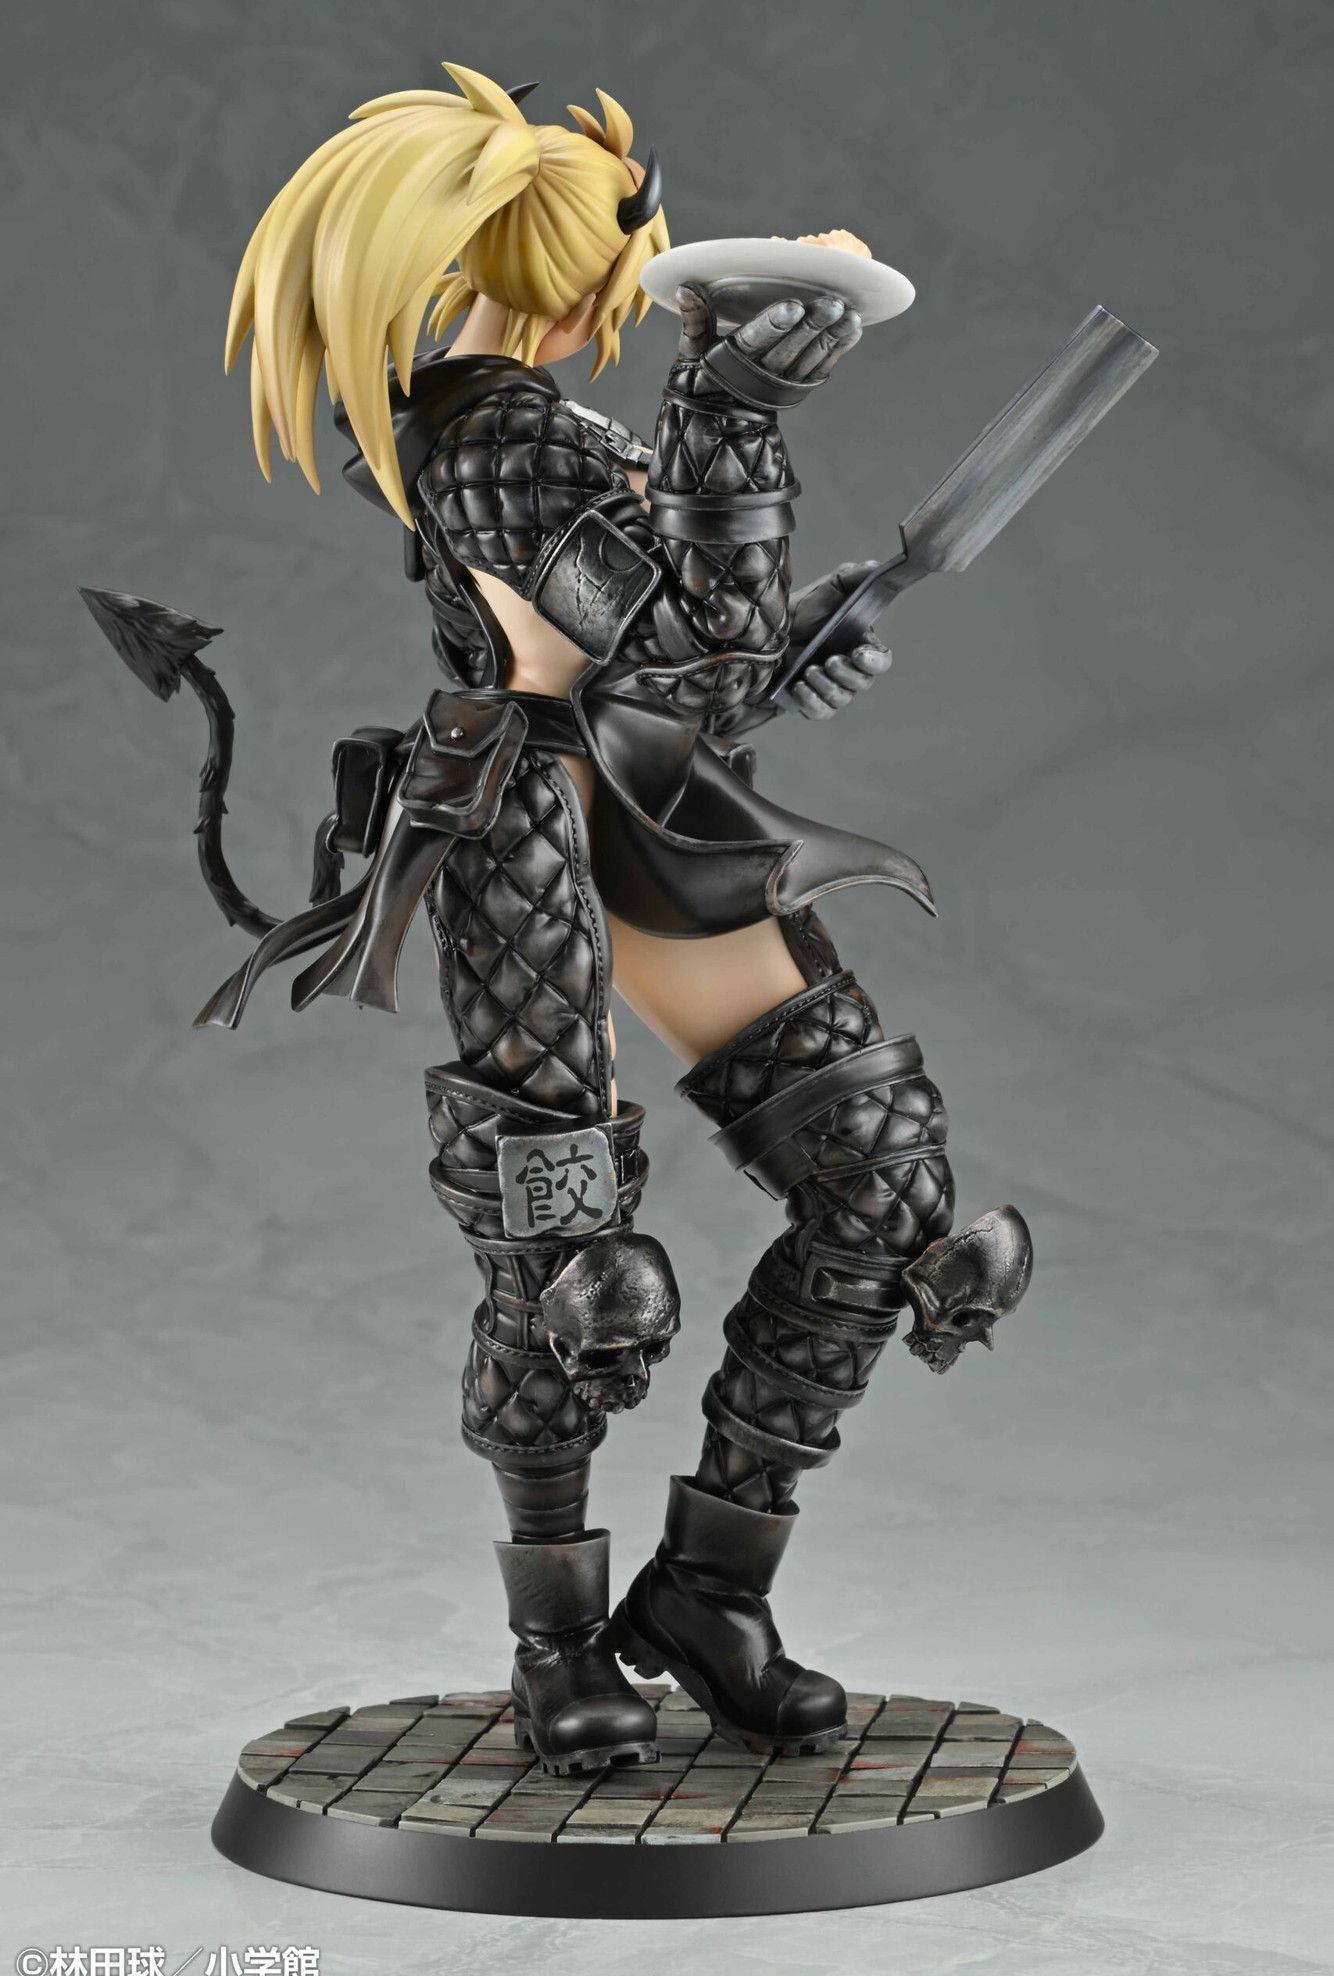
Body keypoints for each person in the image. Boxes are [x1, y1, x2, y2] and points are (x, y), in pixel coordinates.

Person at [209, 60, 1030, 1776]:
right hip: (527, 841)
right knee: (573, 1255)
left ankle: (711, 1593)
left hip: (655, 821)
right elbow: (679, 636)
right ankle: (556, 1640)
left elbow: (679, 666)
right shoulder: (483, 436)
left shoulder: (534, 430)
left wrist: (787, 630)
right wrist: (728, 408)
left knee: (878, 1179)